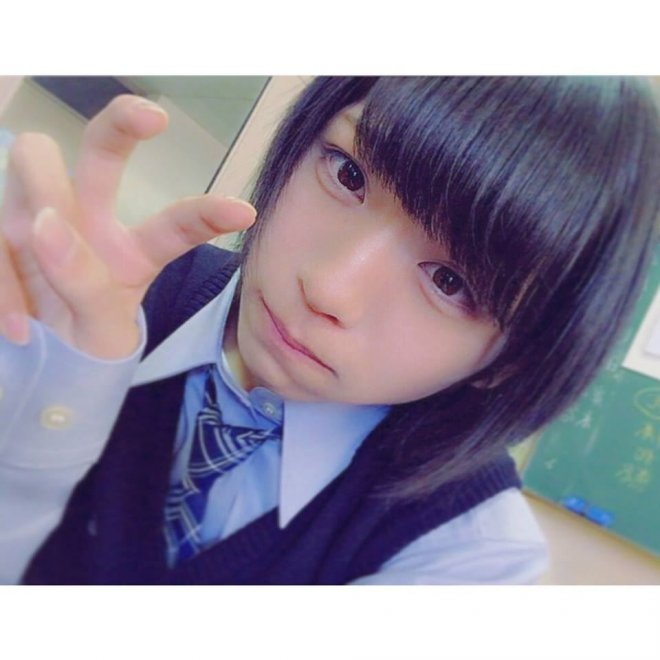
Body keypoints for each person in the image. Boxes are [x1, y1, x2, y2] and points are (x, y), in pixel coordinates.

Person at [0, 77, 658, 584]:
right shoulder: (97, 294)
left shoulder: (466, 552)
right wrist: (50, 386)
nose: (329, 287)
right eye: (348, 173)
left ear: (514, 358)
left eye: (451, 282)